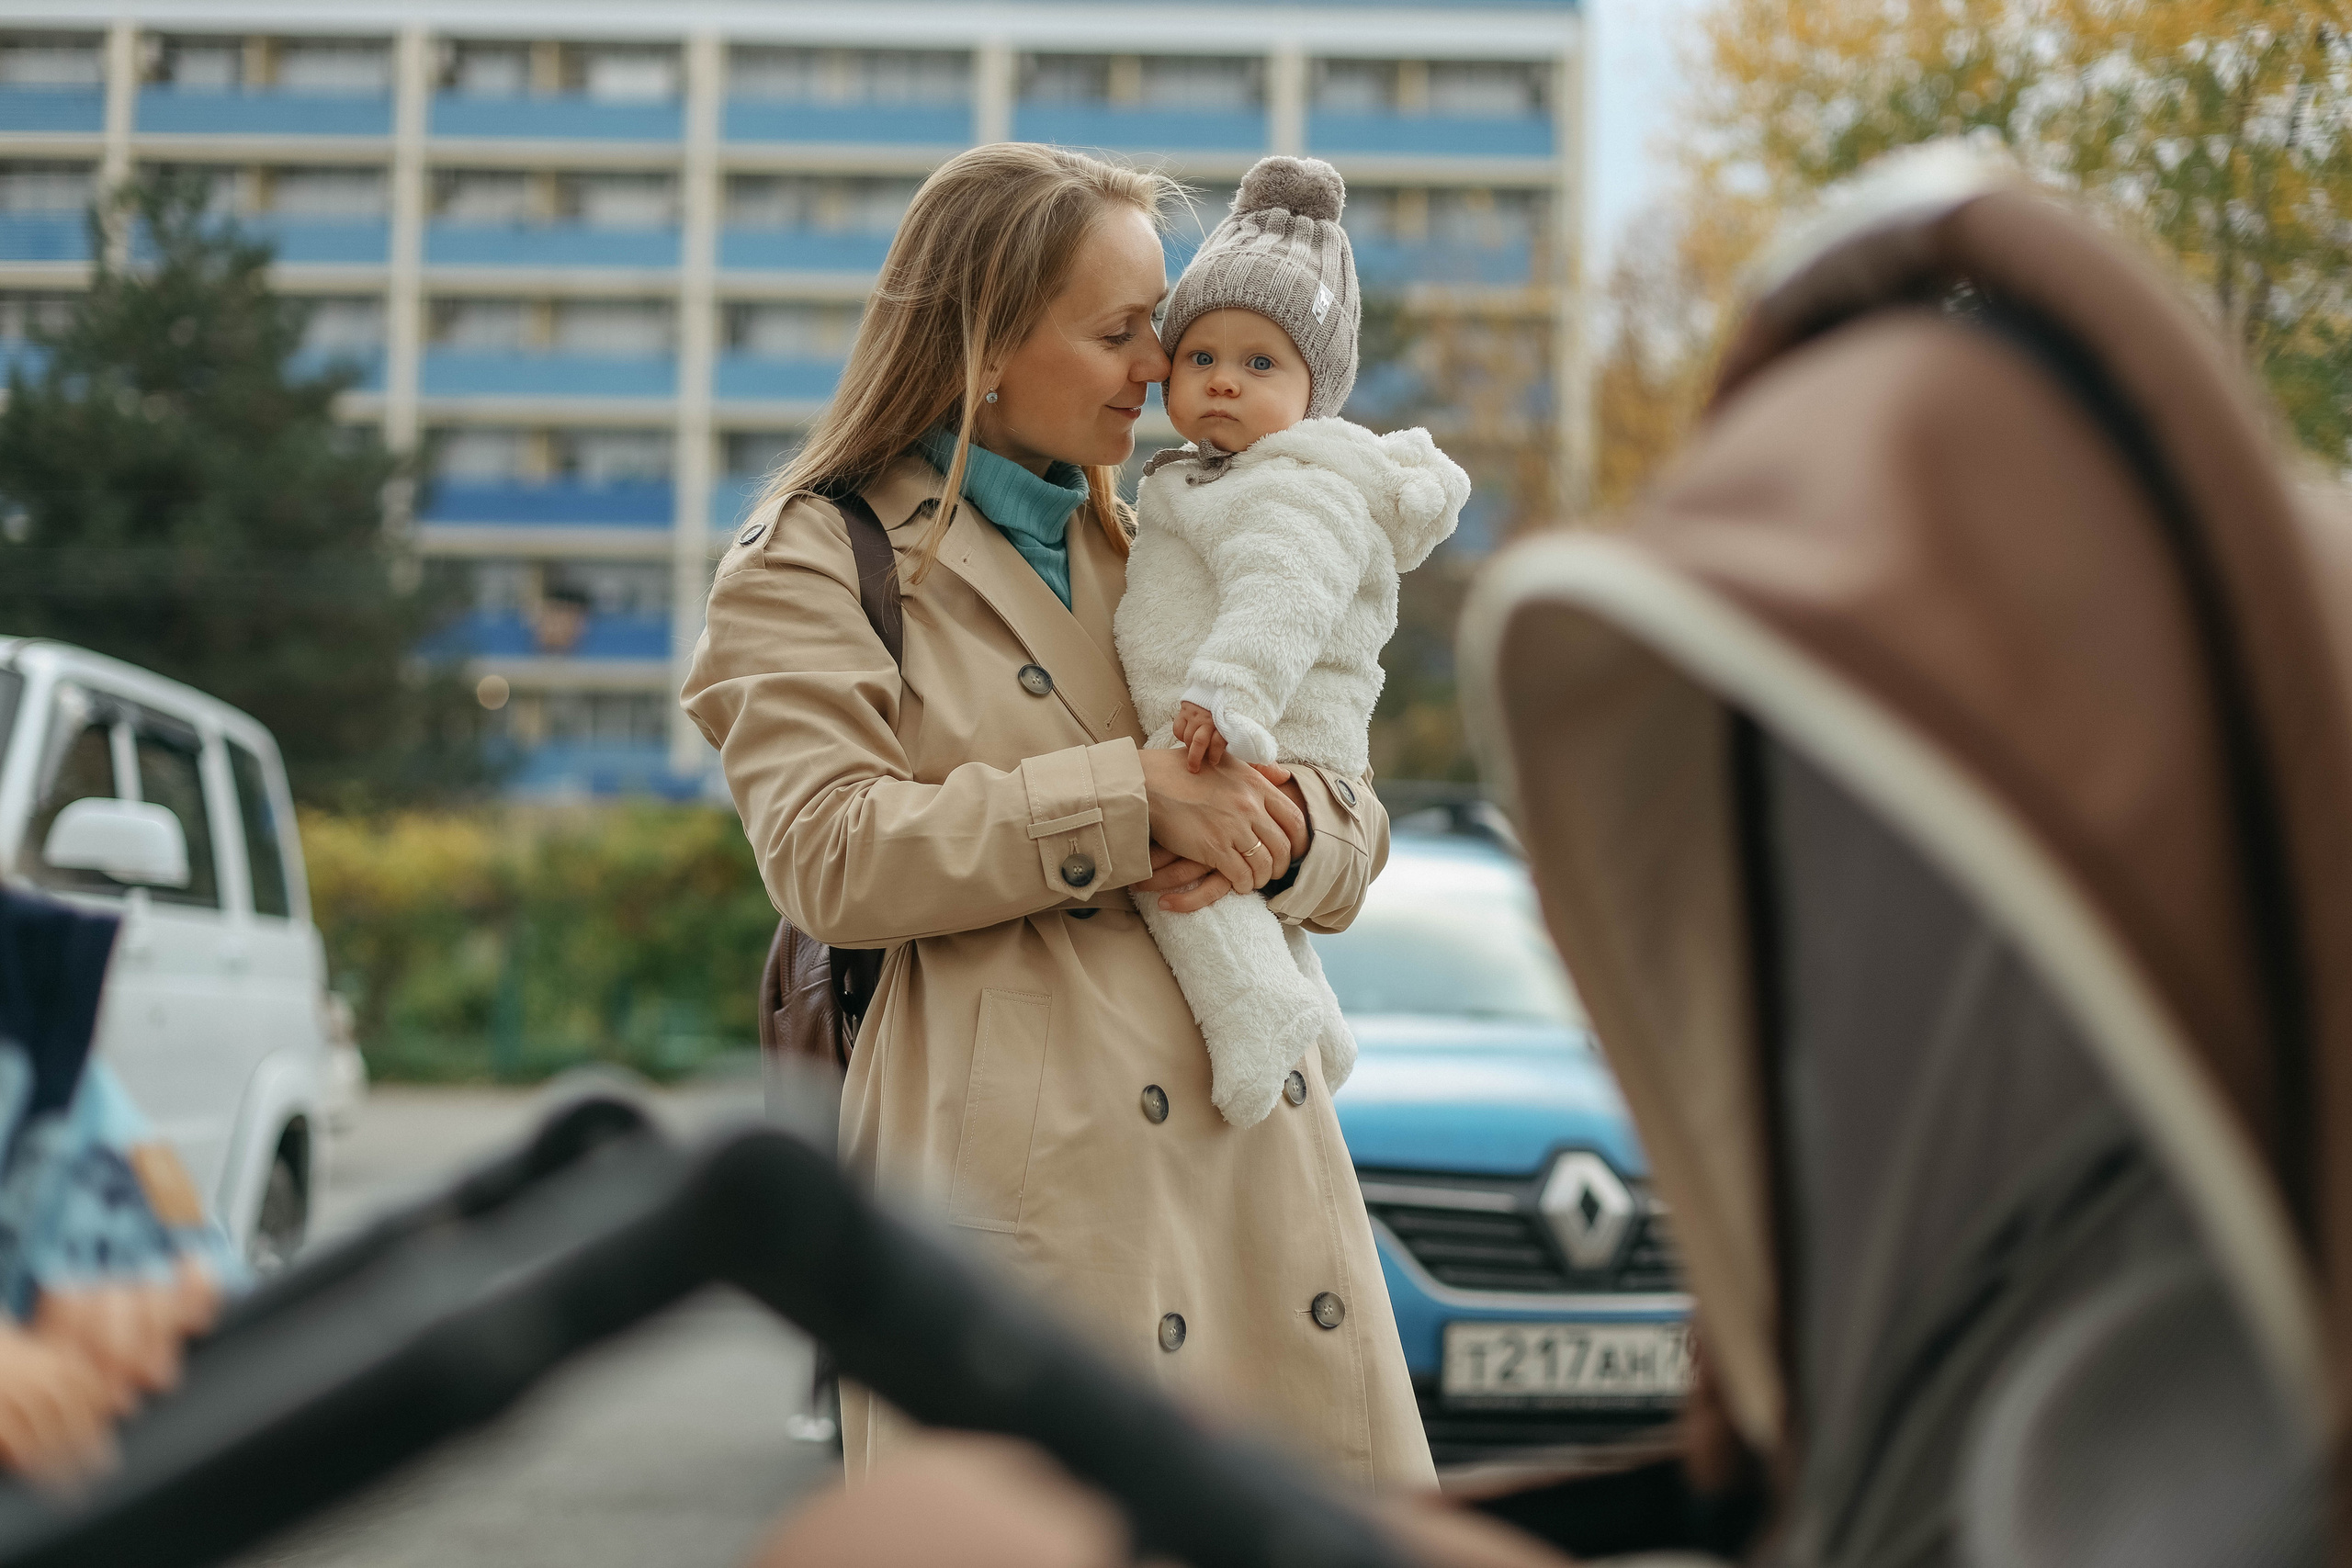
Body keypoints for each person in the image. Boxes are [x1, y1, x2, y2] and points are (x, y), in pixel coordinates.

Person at [682, 141, 1433, 1491]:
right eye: (1120, 329)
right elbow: (831, 853)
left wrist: (1301, 835)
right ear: (980, 346)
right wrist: (1134, 802)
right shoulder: (809, 558)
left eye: (1160, 321)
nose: (1163, 363)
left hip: (1253, 1183)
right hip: (1030, 1224)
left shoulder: (1169, 535)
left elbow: (1346, 810)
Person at [1114, 155, 1467, 1126]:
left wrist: (1229, 694)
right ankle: (1320, 1023)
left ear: (1316, 391)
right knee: (1231, 886)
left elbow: (1286, 592)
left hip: (1250, 726)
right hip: (1240, 728)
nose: (1223, 382)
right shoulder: (1213, 478)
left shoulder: (1293, 481)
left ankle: (1262, 1018)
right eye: (1202, 358)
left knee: (1184, 893)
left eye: (1259, 363)